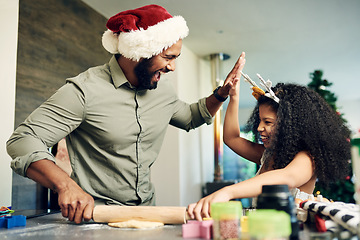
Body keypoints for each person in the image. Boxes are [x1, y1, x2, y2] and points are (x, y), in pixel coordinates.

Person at [6, 4, 246, 224]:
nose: (172, 67)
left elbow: (192, 116)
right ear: (140, 51)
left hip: (148, 215)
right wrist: (64, 185)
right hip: (96, 219)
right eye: (168, 57)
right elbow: (22, 141)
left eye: (175, 58)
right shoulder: (84, 90)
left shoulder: (162, 89)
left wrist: (222, 94)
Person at [187, 70, 351, 221]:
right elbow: (232, 138)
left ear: (290, 125)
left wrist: (227, 191)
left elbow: (287, 177)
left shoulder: (307, 158)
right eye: (260, 120)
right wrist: (234, 97)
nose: (259, 127)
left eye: (268, 122)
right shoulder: (267, 155)